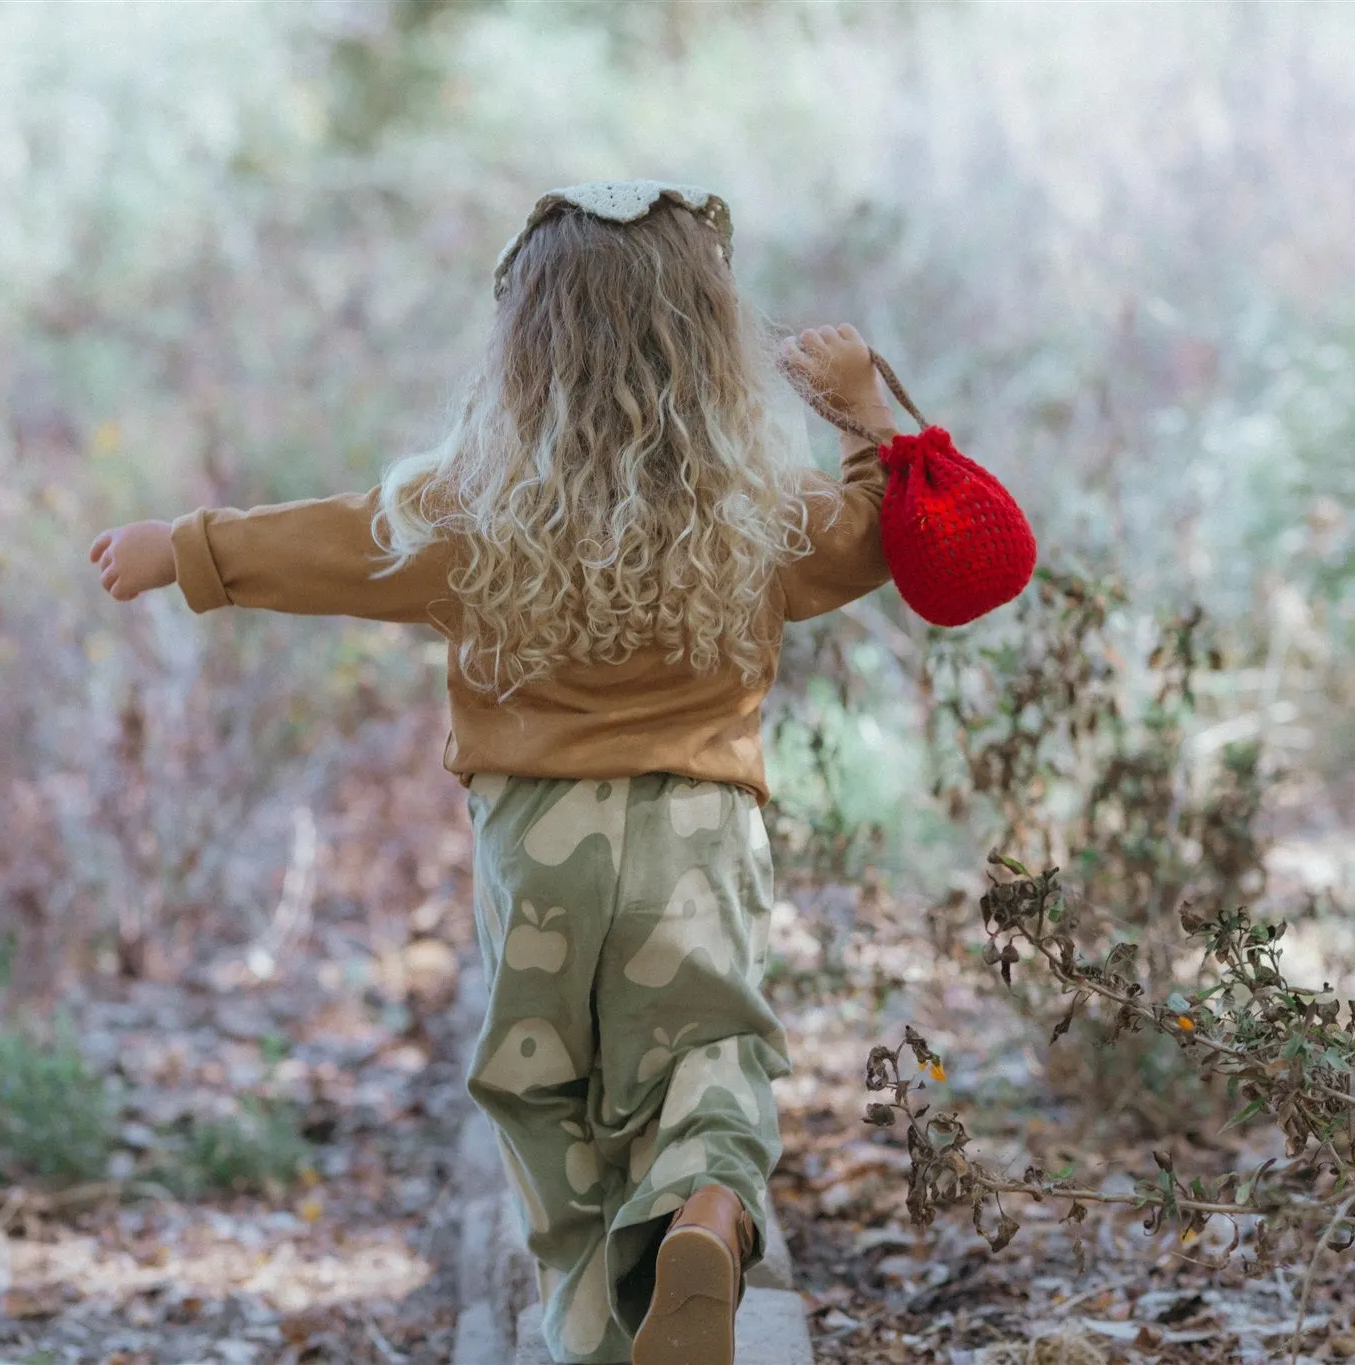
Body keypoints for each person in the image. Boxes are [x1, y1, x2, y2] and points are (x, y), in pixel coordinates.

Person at [88, 180, 897, 1365]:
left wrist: (186, 549)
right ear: (709, 340)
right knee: (710, 1050)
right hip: (697, 839)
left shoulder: (471, 512)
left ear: (523, 348)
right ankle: (703, 1213)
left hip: (540, 853)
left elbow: (331, 544)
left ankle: (591, 1332)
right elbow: (882, 534)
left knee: (545, 1095)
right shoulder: (757, 513)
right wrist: (863, 411)